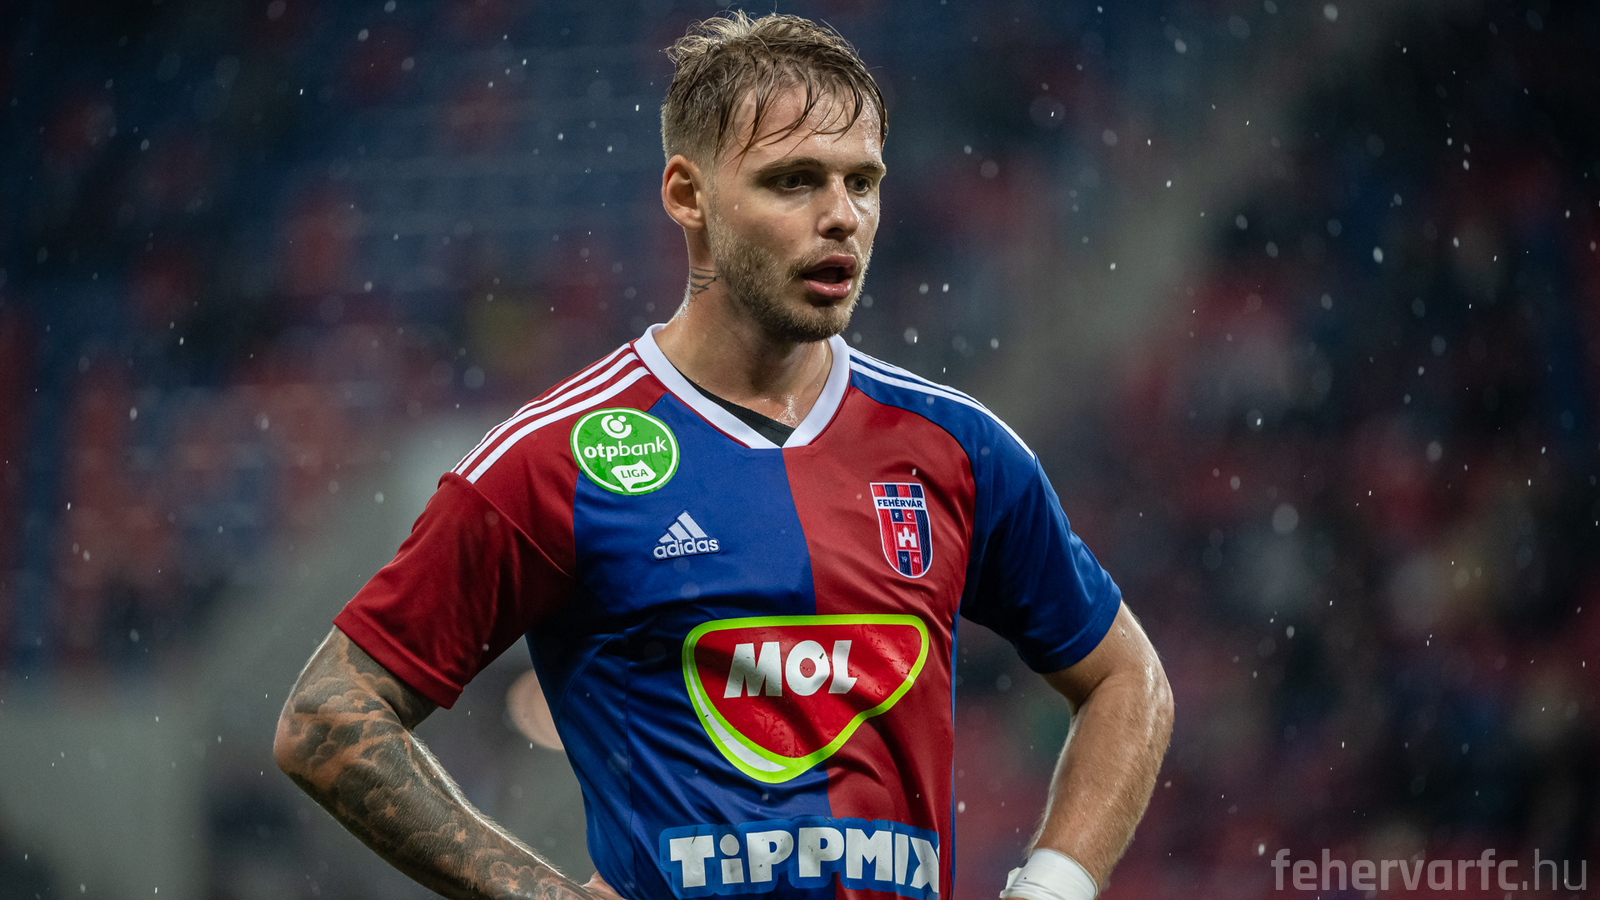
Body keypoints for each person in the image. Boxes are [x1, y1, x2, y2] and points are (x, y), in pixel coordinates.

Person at [273, 12, 1173, 900]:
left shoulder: (958, 448)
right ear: (687, 194)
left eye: (862, 182)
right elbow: (328, 717)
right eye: (794, 181)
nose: (841, 217)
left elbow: (1127, 677)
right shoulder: (558, 457)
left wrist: (1053, 886)